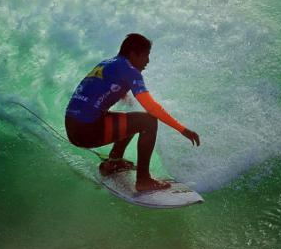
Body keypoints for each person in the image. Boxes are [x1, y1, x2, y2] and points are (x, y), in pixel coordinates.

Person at [65, 33, 201, 192]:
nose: (147, 61)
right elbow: (152, 108)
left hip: (73, 125)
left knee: (132, 119)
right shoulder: (130, 70)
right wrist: (182, 129)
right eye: (145, 56)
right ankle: (143, 180)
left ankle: (114, 162)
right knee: (148, 121)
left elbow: (99, 86)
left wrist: (123, 94)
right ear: (133, 54)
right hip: (86, 131)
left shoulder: (108, 63)